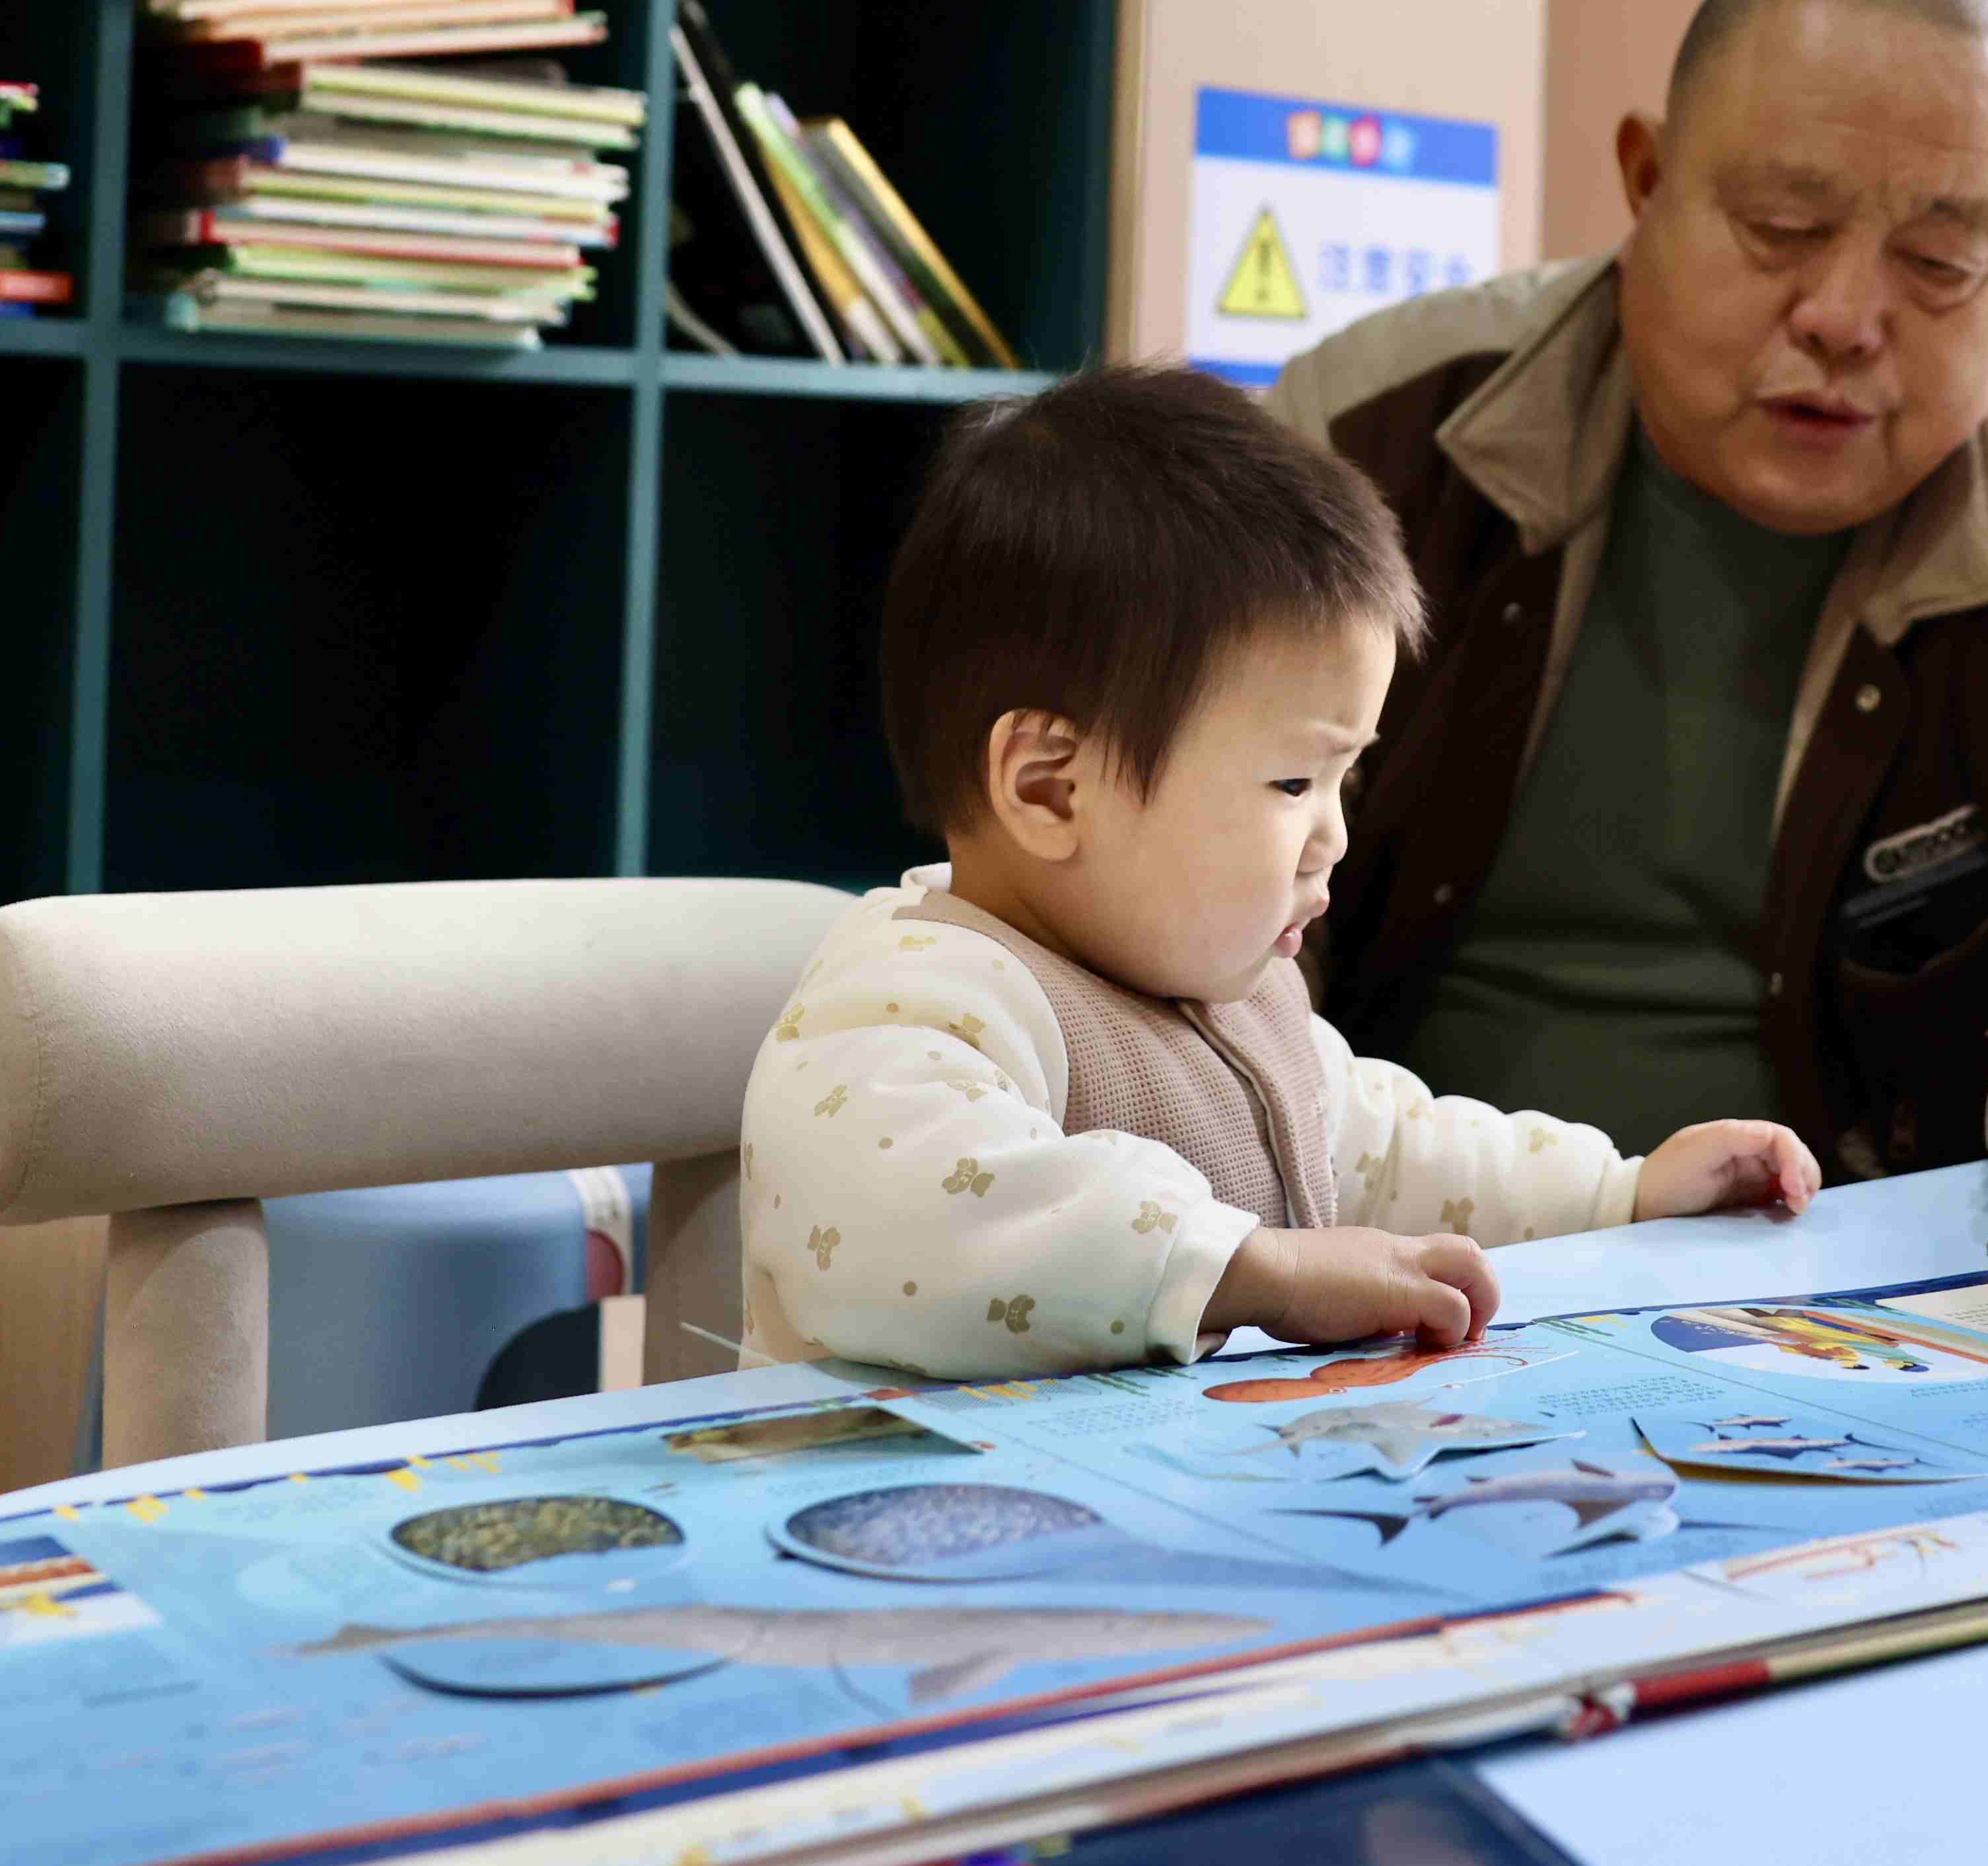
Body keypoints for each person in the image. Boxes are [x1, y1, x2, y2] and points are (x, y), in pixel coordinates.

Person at [1269, 0, 1988, 1375]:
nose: (1845, 317)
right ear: (1645, 179)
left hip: (1877, 1322)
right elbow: (1147, 857)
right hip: (1371, 1277)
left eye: (1942, 260)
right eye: (1781, 228)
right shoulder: (1371, 439)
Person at [734, 364, 1820, 1382]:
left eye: (1348, 778)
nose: (1333, 835)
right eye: (1294, 782)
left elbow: (1393, 1152)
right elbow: (933, 1216)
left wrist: (1621, 1192)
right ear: (1052, 788)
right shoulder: (910, 1004)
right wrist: (1262, 1273)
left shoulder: (1235, 999)